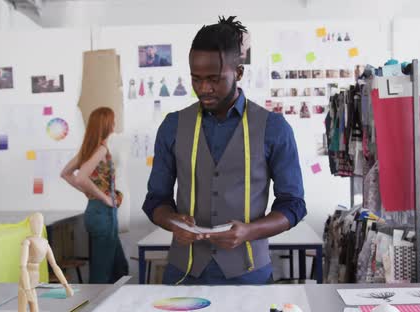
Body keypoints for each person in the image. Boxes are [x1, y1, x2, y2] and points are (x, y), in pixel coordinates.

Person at [142, 16, 306, 285]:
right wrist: (173, 222)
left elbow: (294, 205)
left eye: (214, 79)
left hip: (249, 274)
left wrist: (250, 231)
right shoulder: (173, 126)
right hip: (184, 274)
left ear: (238, 73)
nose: (203, 89)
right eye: (196, 79)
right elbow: (155, 201)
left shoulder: (273, 128)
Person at [61, 107, 128, 284]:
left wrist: (90, 193)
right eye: (112, 121)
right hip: (102, 214)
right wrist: (103, 197)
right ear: (107, 125)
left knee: (119, 269)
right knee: (102, 273)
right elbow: (81, 177)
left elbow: (66, 174)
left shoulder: (88, 150)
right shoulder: (100, 150)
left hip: (98, 213)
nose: (114, 124)